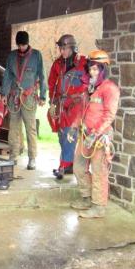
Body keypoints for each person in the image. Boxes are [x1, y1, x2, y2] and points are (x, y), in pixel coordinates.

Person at [69, 50, 119, 218]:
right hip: (85, 133)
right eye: (90, 69)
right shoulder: (89, 88)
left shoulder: (110, 89)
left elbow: (109, 115)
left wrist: (95, 133)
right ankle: (86, 197)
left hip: (100, 137)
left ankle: (98, 207)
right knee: (78, 166)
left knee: (99, 170)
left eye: (96, 69)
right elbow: (82, 110)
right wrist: (73, 126)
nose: (92, 72)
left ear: (103, 70)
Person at [1, 31, 47, 170]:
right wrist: (4, 93)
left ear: (28, 43)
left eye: (24, 45)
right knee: (14, 127)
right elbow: (7, 75)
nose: (21, 48)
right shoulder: (12, 56)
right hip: (14, 96)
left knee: (30, 128)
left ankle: (32, 158)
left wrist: (43, 95)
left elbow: (42, 75)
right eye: (20, 45)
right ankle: (13, 155)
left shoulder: (36, 55)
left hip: (29, 97)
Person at [48, 34, 88, 180]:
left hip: (77, 104)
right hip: (61, 103)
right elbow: (52, 83)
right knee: (61, 135)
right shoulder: (57, 64)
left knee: (69, 134)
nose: (62, 51)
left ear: (72, 48)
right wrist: (51, 102)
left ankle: (63, 166)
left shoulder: (83, 62)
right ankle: (69, 163)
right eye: (61, 48)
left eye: (65, 48)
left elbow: (91, 80)